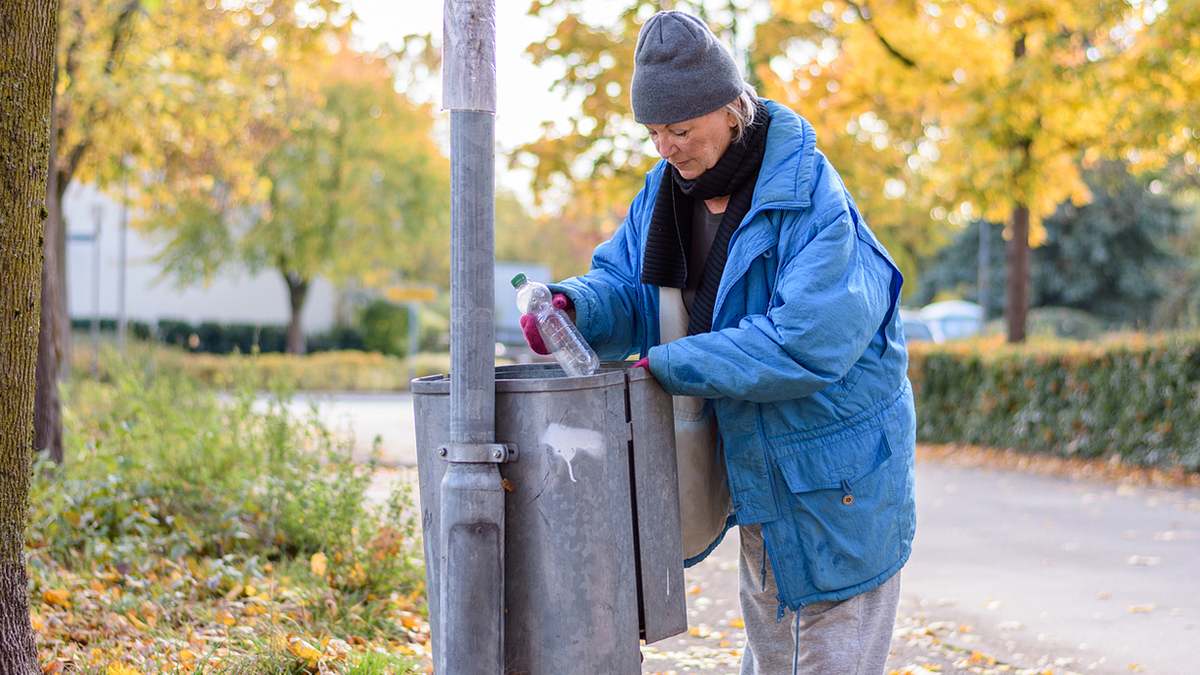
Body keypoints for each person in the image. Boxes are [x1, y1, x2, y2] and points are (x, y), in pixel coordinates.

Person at [519, 10, 916, 674]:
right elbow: (627, 284)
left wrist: (668, 365)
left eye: (679, 128)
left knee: (816, 654)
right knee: (776, 648)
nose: (665, 147)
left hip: (835, 482)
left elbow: (804, 342)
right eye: (652, 132)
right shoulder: (665, 195)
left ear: (732, 108)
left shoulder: (813, 200)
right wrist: (572, 306)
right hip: (766, 470)